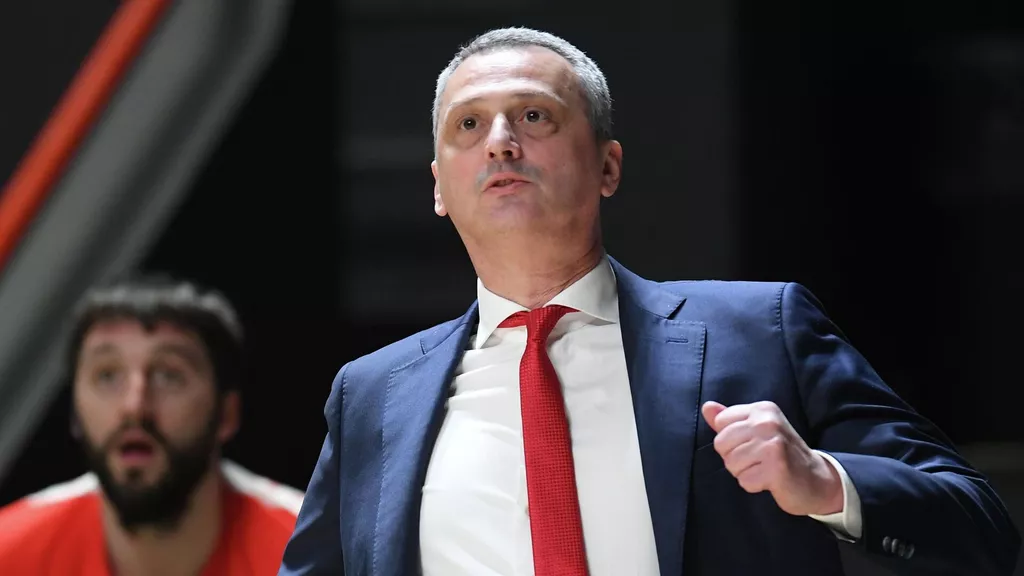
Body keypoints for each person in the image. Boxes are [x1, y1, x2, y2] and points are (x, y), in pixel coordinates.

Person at [278, 27, 1020, 576]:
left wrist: (825, 481)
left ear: (608, 165)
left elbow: (979, 527)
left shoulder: (762, 331)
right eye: (468, 125)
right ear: (439, 185)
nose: (500, 141)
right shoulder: (372, 395)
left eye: (534, 116)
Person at [0, 275, 304, 575]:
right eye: (107, 375)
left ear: (226, 413)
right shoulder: (10, 553)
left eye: (168, 376)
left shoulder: (312, 553)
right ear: (75, 413)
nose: (134, 406)